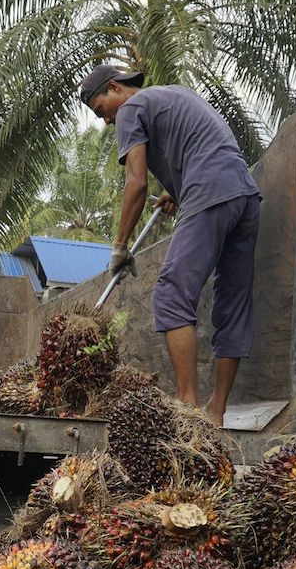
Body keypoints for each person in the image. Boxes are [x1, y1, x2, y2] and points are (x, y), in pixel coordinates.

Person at [80, 63, 261, 424]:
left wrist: (119, 246)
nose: (106, 122)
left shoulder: (131, 108)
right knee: (233, 306)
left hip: (209, 192)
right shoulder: (177, 93)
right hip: (245, 196)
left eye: (101, 111)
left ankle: (188, 409)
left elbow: (136, 183)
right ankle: (216, 413)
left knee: (171, 293)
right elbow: (202, 147)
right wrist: (177, 191)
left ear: (114, 87)